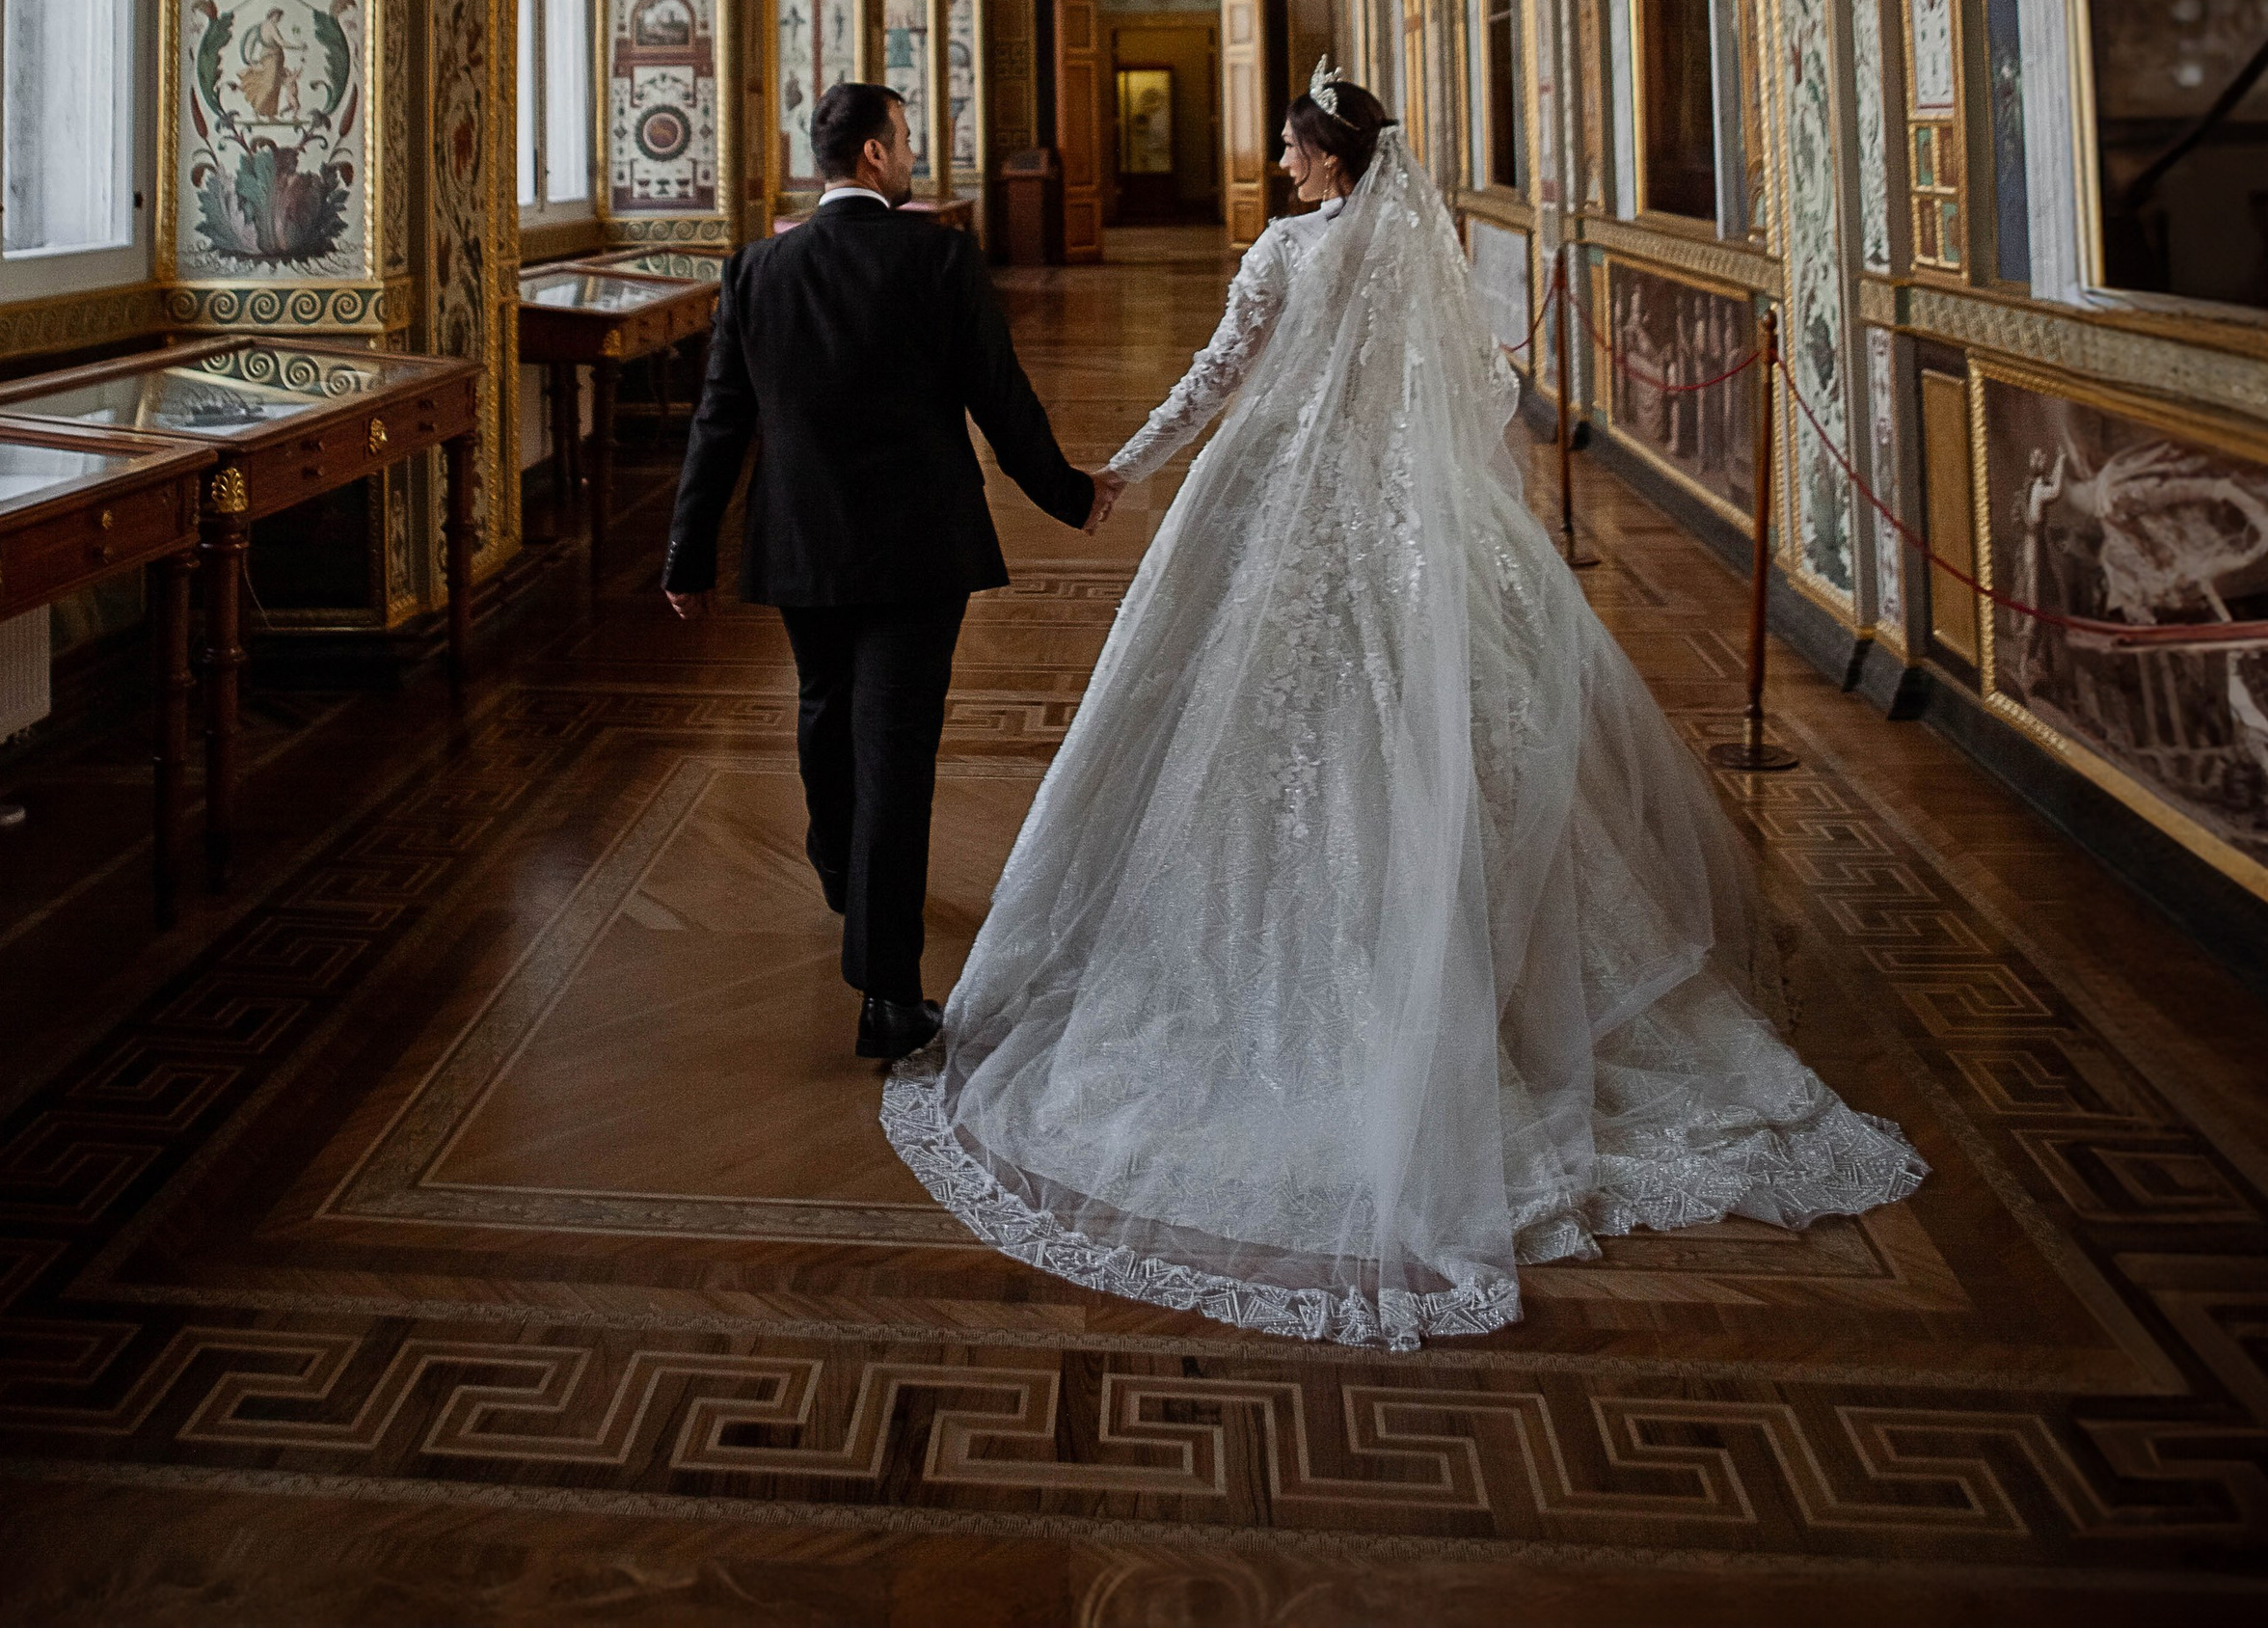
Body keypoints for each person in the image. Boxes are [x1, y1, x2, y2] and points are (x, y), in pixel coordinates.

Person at [882, 68, 1926, 1348]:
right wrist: (1404, 473)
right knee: (1438, 721)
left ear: (1329, 157)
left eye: (1290, 145)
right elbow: (1475, 384)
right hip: (1400, 515)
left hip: (1284, 498)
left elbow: (1217, 375)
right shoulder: (1407, 239)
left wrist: (1125, 473)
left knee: (1265, 724)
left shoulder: (1285, 251)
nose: (1279, 161)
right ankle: (1469, 959)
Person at [662, 80, 1108, 1064]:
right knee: (895, 746)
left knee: (825, 703)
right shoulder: (937, 256)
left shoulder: (756, 269)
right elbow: (999, 396)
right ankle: (889, 993)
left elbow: (719, 423)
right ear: (872, 153)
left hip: (800, 539)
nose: (910, 155)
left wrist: (687, 555)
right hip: (918, 543)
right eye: (903, 140)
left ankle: (837, 863)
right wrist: (1069, 495)